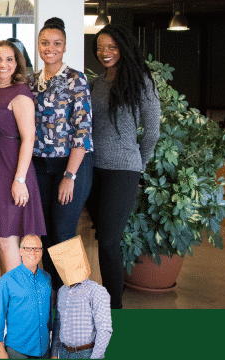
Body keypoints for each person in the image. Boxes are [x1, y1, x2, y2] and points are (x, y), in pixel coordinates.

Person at [88, 24, 161, 309]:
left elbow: (152, 132)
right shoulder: (97, 83)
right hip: (92, 169)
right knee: (98, 237)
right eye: (100, 47)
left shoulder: (141, 82)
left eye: (111, 47)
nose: (104, 53)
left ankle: (113, 308)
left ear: (123, 48)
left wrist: (136, 167)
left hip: (122, 171)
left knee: (108, 240)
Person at [29, 17, 94, 292]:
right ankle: (56, 297)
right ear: (38, 45)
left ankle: (77, 299)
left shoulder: (76, 80)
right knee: (44, 233)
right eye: (45, 43)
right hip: (40, 166)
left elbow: (83, 130)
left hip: (72, 165)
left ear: (65, 46)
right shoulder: (32, 82)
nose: (50, 48)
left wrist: (70, 176)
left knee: (64, 232)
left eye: (56, 43)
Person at [0, 40, 46, 275]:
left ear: (17, 63)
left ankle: (19, 308)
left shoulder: (20, 92)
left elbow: (29, 138)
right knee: (2, 240)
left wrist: (19, 180)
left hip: (11, 168)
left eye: (9, 59)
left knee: (7, 239)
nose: (3, 64)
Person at [0, 235, 52, 359]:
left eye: (37, 249)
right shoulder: (7, 280)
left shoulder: (47, 278)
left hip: (44, 350)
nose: (32, 253)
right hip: (18, 351)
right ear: (20, 251)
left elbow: (49, 315)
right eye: (28, 248)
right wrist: (0, 350)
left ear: (42, 252)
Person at [49, 238, 113, 359]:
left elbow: (104, 329)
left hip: (86, 354)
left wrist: (95, 357)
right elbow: (58, 323)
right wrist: (54, 353)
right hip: (63, 353)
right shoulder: (62, 291)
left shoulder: (96, 291)